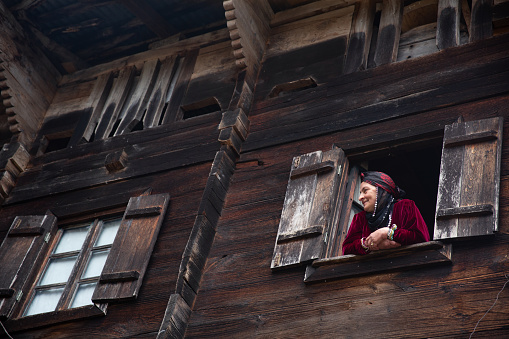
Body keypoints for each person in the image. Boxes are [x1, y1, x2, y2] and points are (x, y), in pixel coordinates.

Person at [342, 171, 430, 255]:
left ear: (381, 191)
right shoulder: (359, 218)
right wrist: (369, 243)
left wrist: (386, 233)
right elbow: (346, 249)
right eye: (360, 192)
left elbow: (421, 237)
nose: (360, 197)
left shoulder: (405, 206)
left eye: (365, 191)